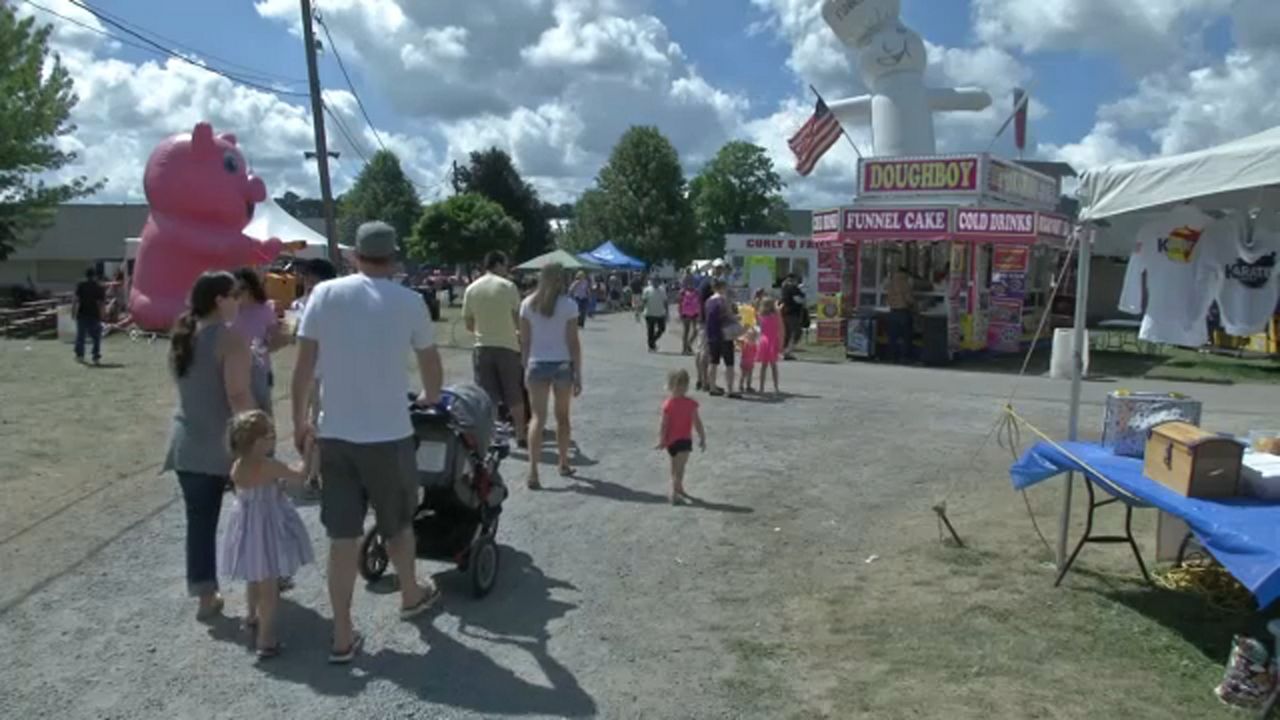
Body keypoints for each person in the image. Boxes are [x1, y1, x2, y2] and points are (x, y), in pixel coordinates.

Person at [291, 221, 443, 664]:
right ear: (394, 258)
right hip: (388, 433)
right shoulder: (411, 302)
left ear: (354, 255)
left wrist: (298, 421)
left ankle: (342, 633)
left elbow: (303, 368)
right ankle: (410, 593)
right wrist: (431, 397)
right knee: (397, 523)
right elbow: (431, 369)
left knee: (342, 538)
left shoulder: (324, 295)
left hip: (335, 433)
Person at [163, 271, 271, 622]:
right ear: (219, 300)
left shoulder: (184, 335)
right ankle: (263, 589)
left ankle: (205, 596)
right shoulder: (229, 339)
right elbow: (237, 393)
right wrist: (259, 436)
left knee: (200, 522)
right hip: (226, 446)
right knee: (257, 514)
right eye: (234, 295)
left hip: (187, 444)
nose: (239, 302)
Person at [219, 410, 314, 659]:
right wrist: (309, 450)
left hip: (247, 527)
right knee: (269, 585)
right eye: (270, 435)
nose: (274, 438)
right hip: (268, 528)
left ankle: (251, 616)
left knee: (253, 575)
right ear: (258, 442)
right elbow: (299, 475)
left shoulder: (237, 467)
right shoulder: (269, 465)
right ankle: (266, 638)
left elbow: (256, 488)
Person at [519, 262, 583, 489]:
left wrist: (524, 367)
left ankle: (533, 471)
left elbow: (525, 342)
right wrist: (579, 372)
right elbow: (573, 342)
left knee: (537, 418)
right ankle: (563, 462)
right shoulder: (569, 305)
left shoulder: (527, 304)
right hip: (562, 365)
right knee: (562, 417)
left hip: (536, 364)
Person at [463, 251, 527, 448]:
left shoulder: (471, 289)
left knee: (487, 395)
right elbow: (518, 318)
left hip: (482, 346)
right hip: (508, 346)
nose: (507, 269)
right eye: (505, 265)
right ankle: (520, 434)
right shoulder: (508, 287)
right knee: (513, 392)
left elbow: (469, 323)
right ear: (498, 264)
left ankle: (489, 434)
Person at [231, 268, 290, 388]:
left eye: (241, 289)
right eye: (233, 290)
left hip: (260, 371)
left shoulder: (266, 309)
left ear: (252, 288)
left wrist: (261, 349)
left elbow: (277, 340)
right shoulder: (227, 310)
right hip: (232, 372)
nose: (237, 293)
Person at [655, 369, 705, 504]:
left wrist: (661, 440)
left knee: (675, 466)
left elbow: (696, 422)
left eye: (682, 385)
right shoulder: (684, 404)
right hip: (681, 440)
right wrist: (702, 437)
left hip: (675, 440)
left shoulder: (672, 404)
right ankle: (674, 491)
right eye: (679, 385)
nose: (681, 388)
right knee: (679, 467)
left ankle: (678, 487)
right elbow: (664, 424)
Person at [703, 278, 740, 398]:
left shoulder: (708, 301)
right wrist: (738, 318)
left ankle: (712, 387)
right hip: (725, 334)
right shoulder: (724, 300)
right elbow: (729, 316)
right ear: (723, 287)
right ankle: (730, 389)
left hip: (712, 334)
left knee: (713, 362)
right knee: (729, 363)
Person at [72, 268, 106, 364]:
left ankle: (80, 355)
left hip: (82, 313)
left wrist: (73, 312)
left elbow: (75, 300)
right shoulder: (99, 287)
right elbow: (101, 303)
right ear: (95, 276)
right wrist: (103, 314)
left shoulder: (81, 285)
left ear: (86, 276)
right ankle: (96, 356)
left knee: (80, 336)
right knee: (96, 337)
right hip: (94, 315)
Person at [886, 265, 916, 364]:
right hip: (903, 312)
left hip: (892, 312)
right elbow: (909, 299)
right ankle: (905, 357)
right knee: (906, 336)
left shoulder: (890, 282)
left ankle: (892, 356)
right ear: (906, 273)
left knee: (893, 337)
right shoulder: (905, 282)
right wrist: (914, 304)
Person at [756, 297, 783, 395]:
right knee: (769, 366)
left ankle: (767, 387)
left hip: (767, 341)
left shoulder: (763, 315)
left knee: (768, 366)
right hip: (769, 340)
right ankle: (769, 387)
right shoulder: (772, 315)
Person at [780, 274, 806, 360]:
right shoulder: (792, 288)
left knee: (787, 333)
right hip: (793, 313)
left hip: (785, 312)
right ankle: (788, 351)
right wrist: (803, 295)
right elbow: (798, 300)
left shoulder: (784, 287)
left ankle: (784, 351)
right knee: (796, 332)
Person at [642, 275, 668, 352]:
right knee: (650, 330)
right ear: (651, 281)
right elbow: (644, 301)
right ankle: (651, 347)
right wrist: (639, 311)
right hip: (649, 313)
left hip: (660, 313)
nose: (655, 282)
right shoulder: (647, 290)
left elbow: (665, 302)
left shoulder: (662, 290)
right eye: (654, 281)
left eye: (657, 281)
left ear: (659, 282)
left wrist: (667, 312)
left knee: (662, 329)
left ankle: (652, 341)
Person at [678, 278, 701, 356]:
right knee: (686, 331)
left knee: (696, 330)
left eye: (691, 282)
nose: (690, 284)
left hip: (695, 313)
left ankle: (688, 345)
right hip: (685, 313)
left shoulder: (697, 292)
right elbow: (680, 303)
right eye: (688, 282)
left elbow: (699, 302)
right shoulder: (683, 292)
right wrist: (680, 313)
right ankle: (684, 349)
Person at [738, 326, 759, 394]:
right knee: (744, 374)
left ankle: (746, 386)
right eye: (751, 336)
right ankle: (743, 386)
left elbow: (756, 353)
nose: (753, 338)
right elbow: (741, 349)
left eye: (753, 336)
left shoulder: (752, 344)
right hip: (746, 361)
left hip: (749, 362)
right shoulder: (746, 343)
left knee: (747, 374)